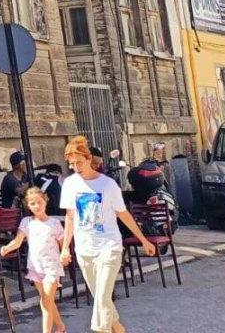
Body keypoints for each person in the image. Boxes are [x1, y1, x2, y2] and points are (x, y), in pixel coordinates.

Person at [60, 134, 155, 333]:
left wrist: (143, 240)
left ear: (89, 159)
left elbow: (123, 214)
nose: (76, 167)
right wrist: (65, 248)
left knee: (103, 299)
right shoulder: (69, 184)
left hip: (108, 247)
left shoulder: (108, 185)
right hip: (84, 250)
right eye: (72, 164)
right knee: (101, 300)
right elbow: (70, 217)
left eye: (79, 162)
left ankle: (99, 329)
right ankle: (118, 329)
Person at [1, 186, 66, 333]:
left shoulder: (54, 223)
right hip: (35, 266)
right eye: (32, 203)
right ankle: (60, 327)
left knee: (46, 300)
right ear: (28, 206)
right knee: (47, 300)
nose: (36, 206)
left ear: (45, 201)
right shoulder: (26, 222)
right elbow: (18, 241)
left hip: (52, 267)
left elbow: (63, 245)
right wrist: (7, 248)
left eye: (39, 202)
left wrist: (65, 255)